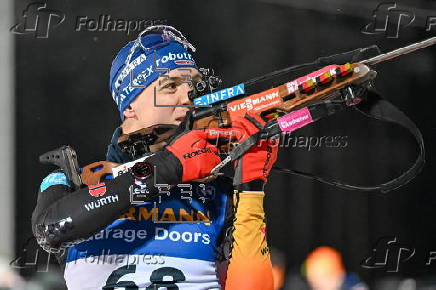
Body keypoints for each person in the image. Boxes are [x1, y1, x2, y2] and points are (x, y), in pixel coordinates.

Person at [31, 25, 278, 289]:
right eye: (171, 86)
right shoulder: (73, 180)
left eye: (193, 87)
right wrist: (170, 165)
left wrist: (250, 189)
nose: (188, 98)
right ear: (130, 106)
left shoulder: (216, 193)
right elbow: (51, 230)